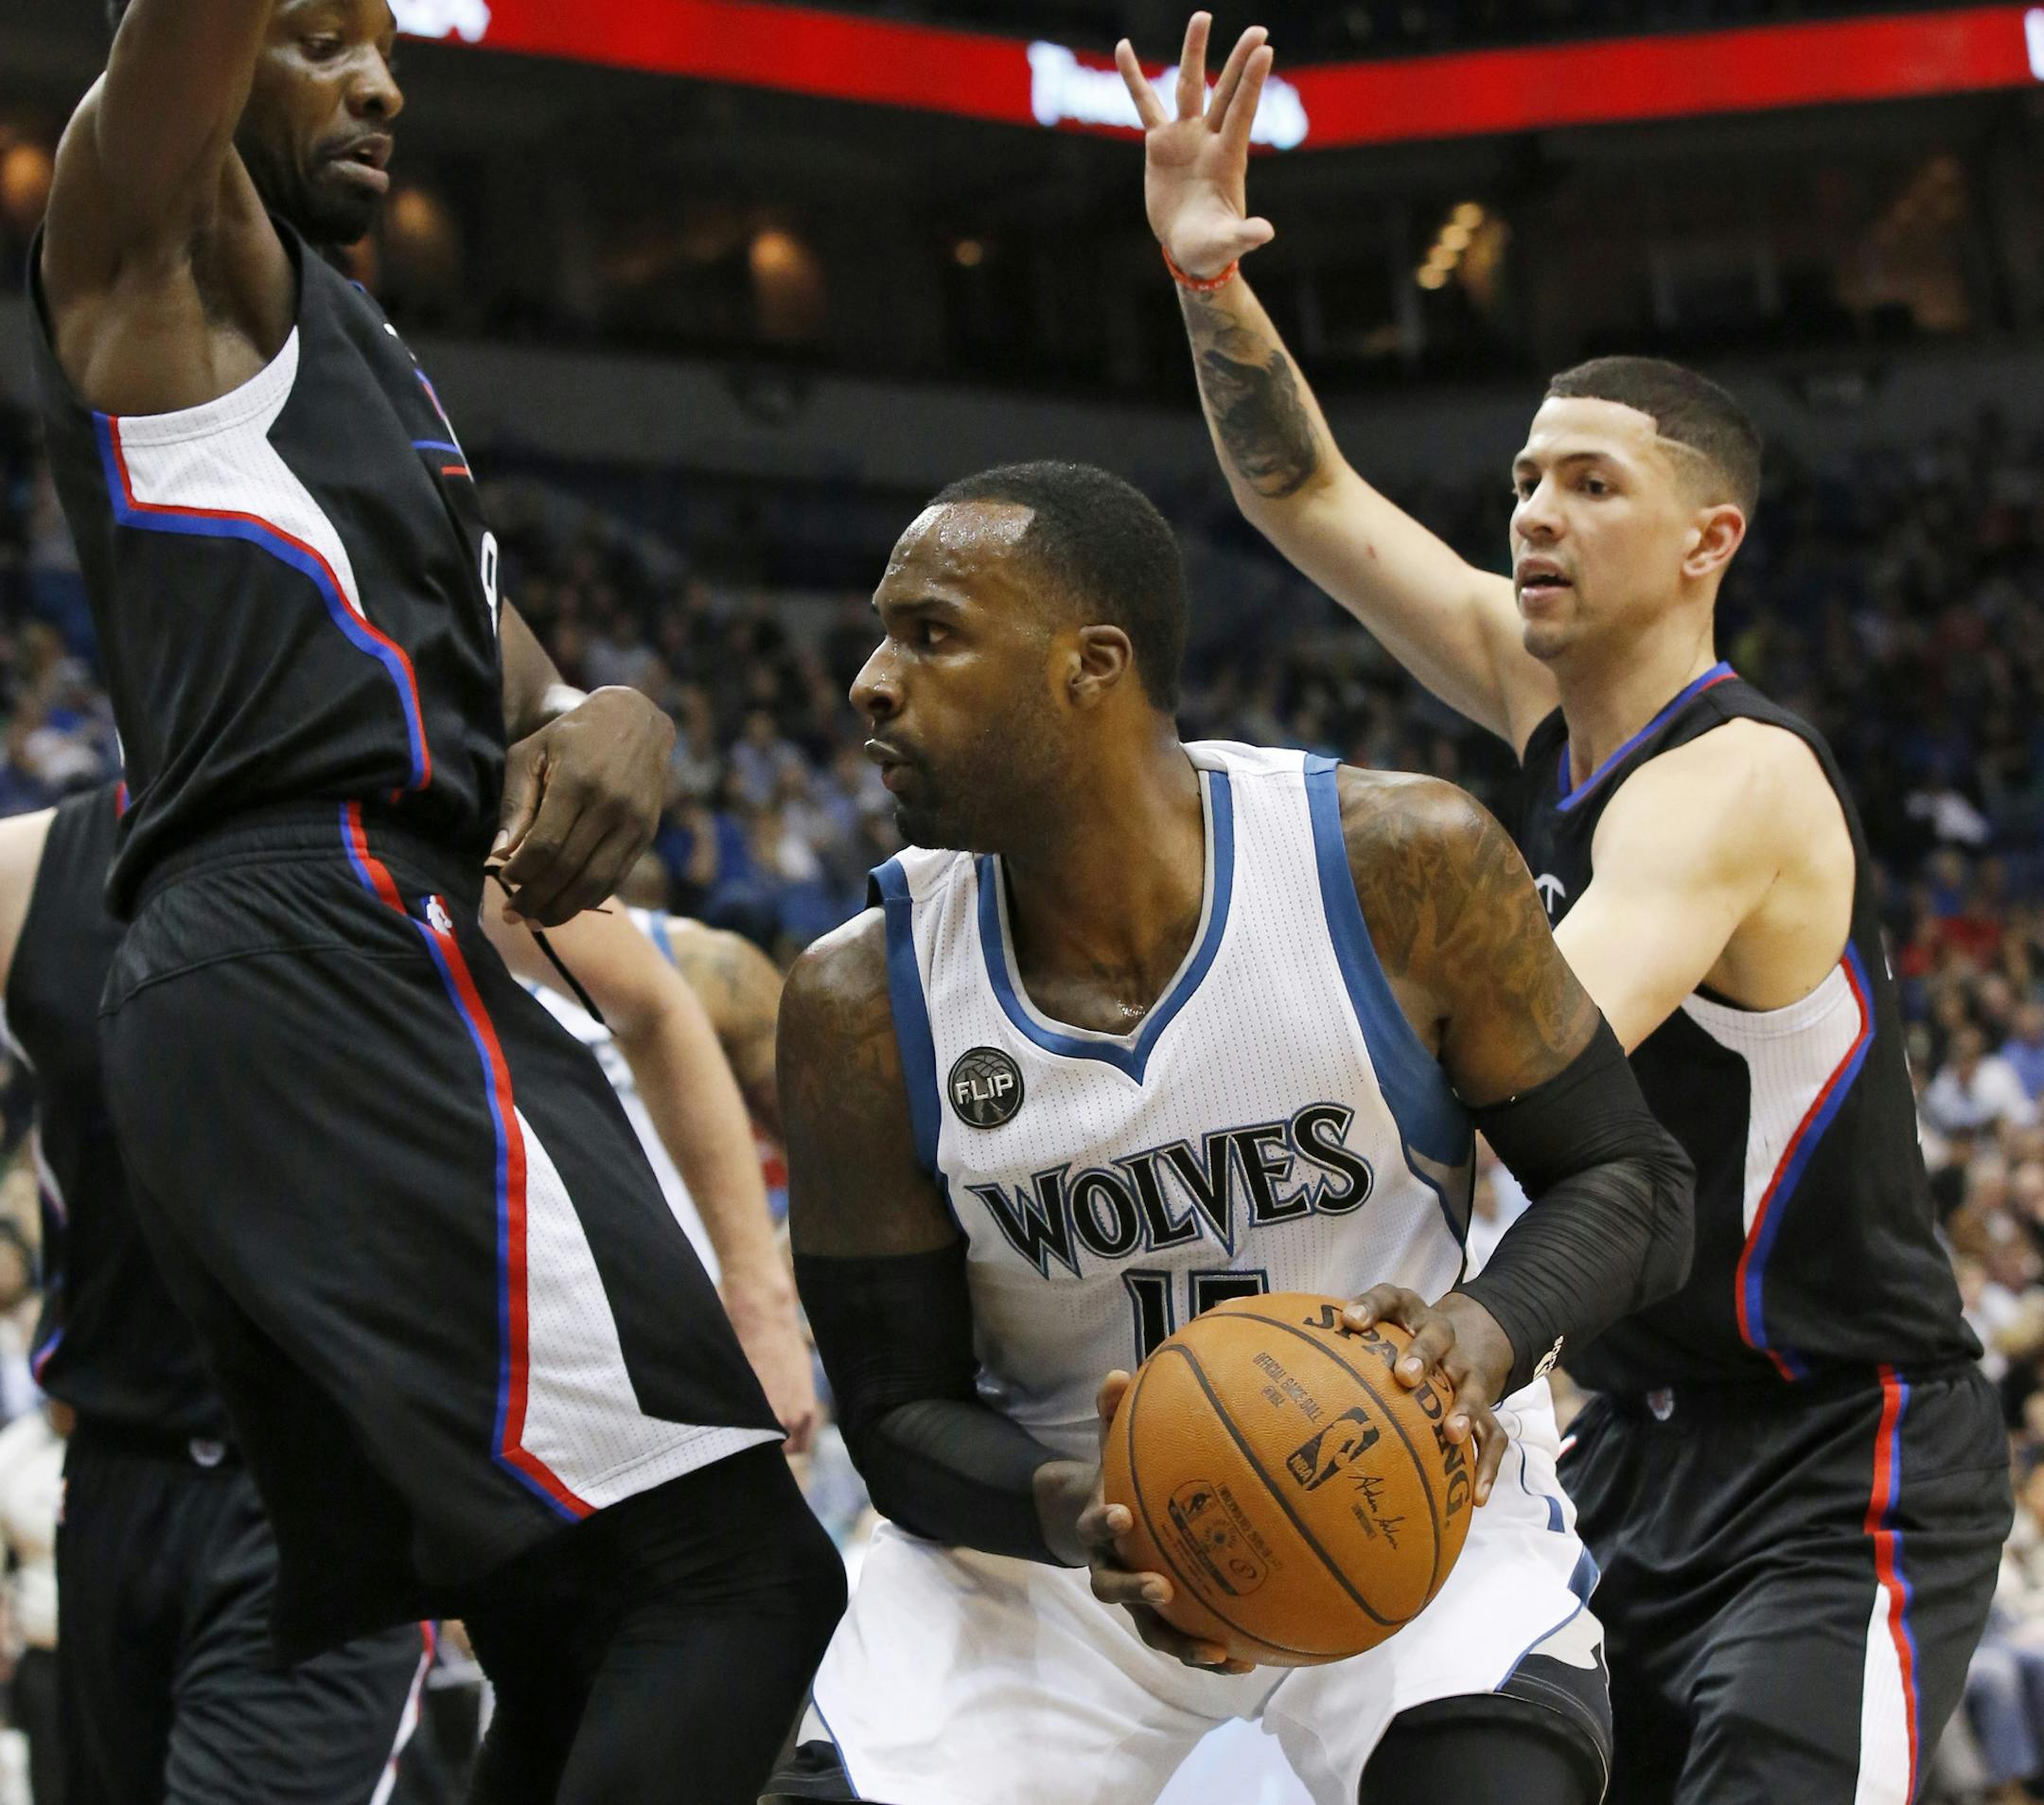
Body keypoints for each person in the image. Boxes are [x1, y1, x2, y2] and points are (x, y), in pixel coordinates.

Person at [1122, 16, 2009, 1801]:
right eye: (1526, 475)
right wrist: (1213, 273)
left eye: (1590, 482)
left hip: (1835, 1449)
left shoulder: (1734, 783)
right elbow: (1302, 493)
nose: (1534, 509)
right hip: (1626, 1453)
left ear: (1709, 539)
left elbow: (1534, 1052)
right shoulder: (1544, 709)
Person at [30, 6, 843, 1800]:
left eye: (392, 43)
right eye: (318, 36)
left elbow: (517, 683)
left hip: (316, 947)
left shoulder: (354, 359)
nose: (384, 79)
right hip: (319, 925)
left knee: (575, 1613)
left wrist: (603, 713)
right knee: (743, 1583)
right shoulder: (153, 240)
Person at [767, 460, 1696, 1805]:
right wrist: (1074, 1507)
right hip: (1056, 1555)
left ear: (1093, 663)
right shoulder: (860, 997)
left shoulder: (1399, 862)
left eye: (929, 631)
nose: (868, 679)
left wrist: (1478, 1339)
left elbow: (1631, 1177)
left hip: (1398, 1485)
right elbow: (896, 1408)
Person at [0, 783, 432, 1805]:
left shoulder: (402, 840)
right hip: (112, 1478)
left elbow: (652, 986)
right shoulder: (40, 864)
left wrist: (757, 1294)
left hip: (320, 1482)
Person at [483, 897, 818, 1450]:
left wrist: (764, 1304)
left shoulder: (704, 962)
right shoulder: (416, 971)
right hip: (533, 1384)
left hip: (714, 1355)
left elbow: (843, 1167)